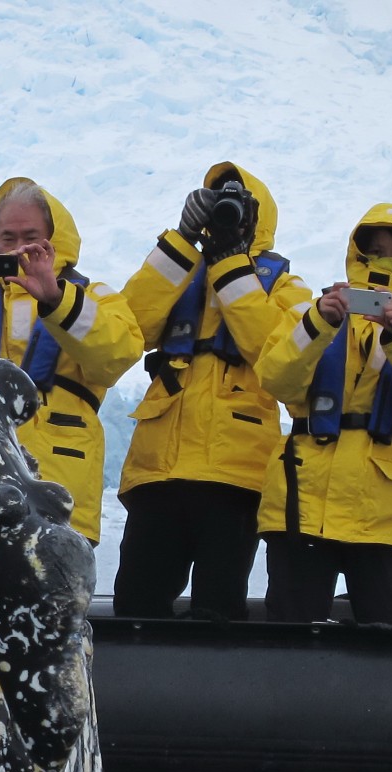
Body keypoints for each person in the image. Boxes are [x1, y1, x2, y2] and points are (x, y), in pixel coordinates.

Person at [112, 163, 311, 620]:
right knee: (136, 606)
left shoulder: (286, 285)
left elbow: (276, 352)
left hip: (234, 475)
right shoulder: (179, 269)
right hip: (158, 469)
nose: (226, 210)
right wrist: (181, 240)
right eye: (218, 199)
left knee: (218, 609)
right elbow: (130, 327)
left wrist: (230, 265)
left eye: (238, 204)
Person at [254, 206, 392, 625]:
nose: (383, 262)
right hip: (302, 506)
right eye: (375, 250)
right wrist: (319, 324)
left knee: (387, 642)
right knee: (289, 639)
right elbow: (275, 379)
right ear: (358, 254)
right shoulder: (306, 315)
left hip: (382, 517)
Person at [0, 177, 143, 544]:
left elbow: (118, 355)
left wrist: (55, 299)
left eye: (30, 237)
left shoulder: (92, 298)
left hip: (61, 484)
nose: (19, 248)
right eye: (8, 239)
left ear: (54, 238)